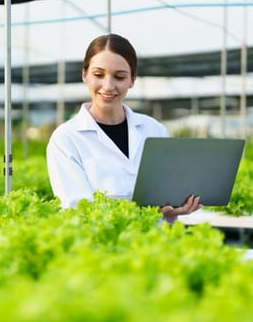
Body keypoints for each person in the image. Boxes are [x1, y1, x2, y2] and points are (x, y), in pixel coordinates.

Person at [46, 33, 201, 223]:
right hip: (101, 248)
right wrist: (147, 212)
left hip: (155, 246)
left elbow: (165, 196)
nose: (108, 86)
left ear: (132, 80)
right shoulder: (66, 139)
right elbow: (77, 211)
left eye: (119, 77)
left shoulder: (154, 130)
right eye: (98, 75)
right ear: (84, 75)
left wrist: (175, 208)